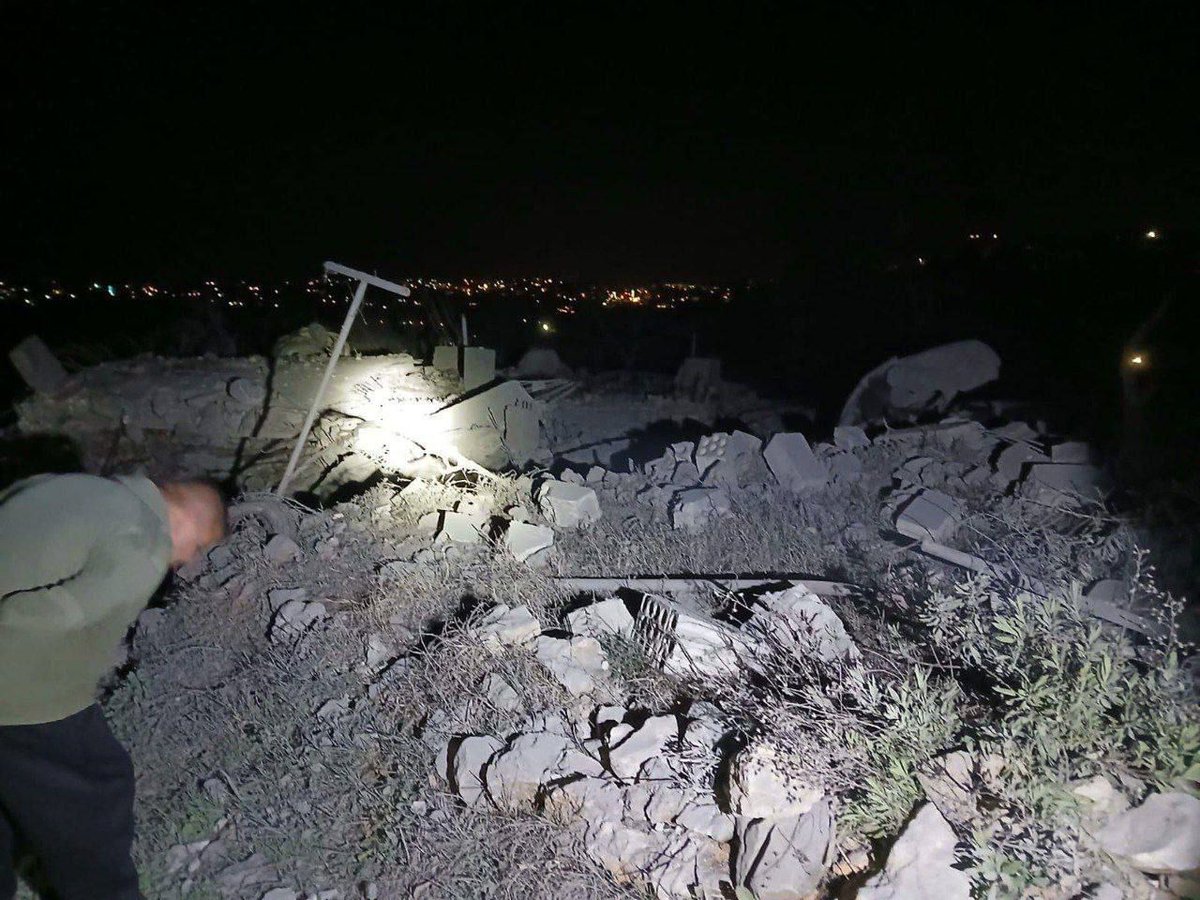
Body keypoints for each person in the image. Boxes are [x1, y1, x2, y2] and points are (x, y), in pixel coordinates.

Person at [0, 473, 227, 899]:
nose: (179, 567)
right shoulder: (142, 544)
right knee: (96, 790)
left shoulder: (69, 485)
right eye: (195, 554)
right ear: (191, 530)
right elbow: (42, 618)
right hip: (17, 694)